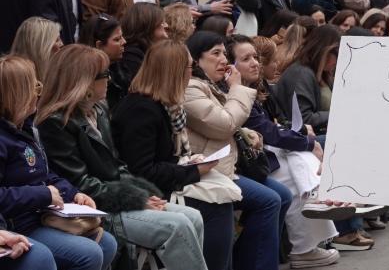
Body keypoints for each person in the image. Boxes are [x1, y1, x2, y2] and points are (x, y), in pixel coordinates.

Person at [36, 45, 207, 270]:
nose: (110, 79)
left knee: (193, 217)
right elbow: (80, 184)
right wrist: (135, 199)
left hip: (116, 198)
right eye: (105, 74)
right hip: (93, 208)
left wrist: (141, 194)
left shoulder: (98, 112)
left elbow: (117, 165)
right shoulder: (57, 123)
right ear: (85, 82)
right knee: (178, 226)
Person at [224, 36, 338, 268]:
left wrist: (299, 135)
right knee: (292, 177)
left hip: (265, 152)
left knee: (304, 162)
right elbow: (267, 130)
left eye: (256, 57)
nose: (256, 63)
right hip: (250, 161)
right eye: (246, 59)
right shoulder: (234, 92)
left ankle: (312, 234)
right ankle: (304, 246)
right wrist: (305, 141)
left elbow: (277, 124)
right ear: (231, 67)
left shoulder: (255, 87)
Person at [110, 42, 224, 270]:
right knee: (216, 207)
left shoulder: (163, 105)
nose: (192, 73)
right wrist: (192, 171)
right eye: (189, 68)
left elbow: (162, 159)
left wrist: (190, 163)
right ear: (175, 72)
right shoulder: (141, 110)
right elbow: (142, 170)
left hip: (156, 183)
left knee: (224, 199)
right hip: (142, 190)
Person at [0, 55, 118, 270]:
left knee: (107, 243)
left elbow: (45, 174)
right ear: (16, 95)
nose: (39, 91)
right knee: (87, 254)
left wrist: (73, 194)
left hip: (41, 216)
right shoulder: (5, 139)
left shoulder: (25, 129)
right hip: (19, 224)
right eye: (34, 85)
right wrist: (43, 195)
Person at [183, 32, 282, 270]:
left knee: (279, 196)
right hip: (207, 172)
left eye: (224, 54)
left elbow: (231, 122)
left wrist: (246, 133)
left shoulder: (210, 85)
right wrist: (237, 88)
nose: (223, 60)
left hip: (225, 168)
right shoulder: (191, 89)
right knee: (269, 200)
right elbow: (224, 123)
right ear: (196, 60)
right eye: (215, 54)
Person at [270, 25, 374, 251]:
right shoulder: (301, 73)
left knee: (356, 142)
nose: (337, 61)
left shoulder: (319, 74)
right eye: (335, 55)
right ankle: (346, 229)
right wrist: (342, 110)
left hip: (307, 134)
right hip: (298, 138)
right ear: (325, 51)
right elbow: (305, 117)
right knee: (344, 148)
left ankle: (352, 221)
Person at [108, 4, 168, 111]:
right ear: (147, 26)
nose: (166, 26)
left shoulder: (148, 51)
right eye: (161, 23)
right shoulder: (132, 57)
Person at [10, 17, 63, 85]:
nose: (62, 44)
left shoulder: (56, 73)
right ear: (40, 45)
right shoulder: (14, 75)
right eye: (57, 40)